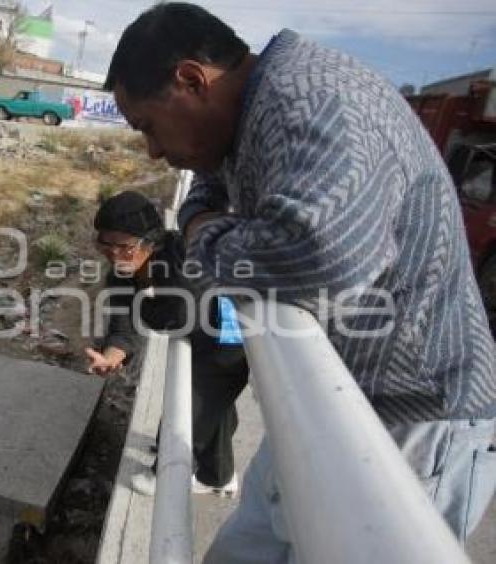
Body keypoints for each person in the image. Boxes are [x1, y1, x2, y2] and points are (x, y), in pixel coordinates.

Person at [104, 2, 496, 561]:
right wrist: (204, 222)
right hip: (336, 397)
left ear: (192, 79)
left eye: (147, 126)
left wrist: (206, 239)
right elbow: (205, 189)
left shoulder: (312, 104)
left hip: (415, 420)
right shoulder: (245, 113)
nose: (154, 150)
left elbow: (317, 261)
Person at [85, 190, 248, 496]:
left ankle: (168, 472)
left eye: (124, 247)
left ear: (152, 242)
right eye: (104, 245)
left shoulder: (183, 262)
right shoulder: (124, 270)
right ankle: (219, 477)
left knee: (197, 405)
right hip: (205, 329)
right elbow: (123, 319)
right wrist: (111, 355)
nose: (114, 255)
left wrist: (145, 305)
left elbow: (176, 317)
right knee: (215, 405)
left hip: (228, 335)